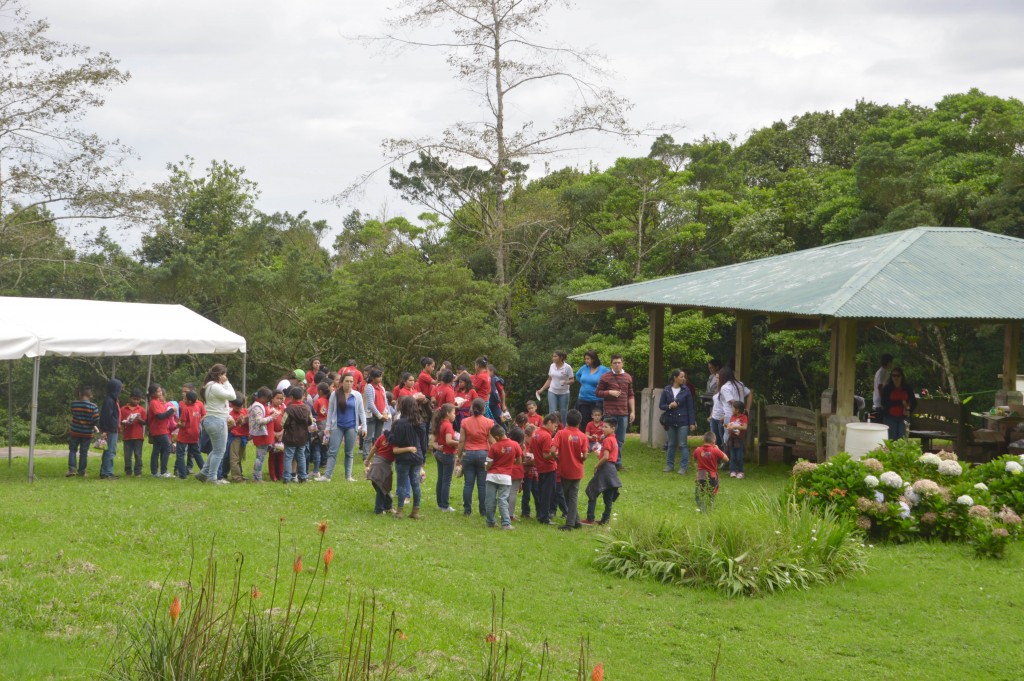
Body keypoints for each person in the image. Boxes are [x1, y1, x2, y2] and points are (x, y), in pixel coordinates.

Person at [195, 363, 237, 485]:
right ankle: (212, 478)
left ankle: (203, 473)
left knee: (216, 449)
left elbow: (219, 405)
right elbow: (232, 396)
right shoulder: (215, 387)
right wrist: (227, 382)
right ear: (219, 375)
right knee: (220, 451)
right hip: (217, 421)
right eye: (224, 374)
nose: (225, 376)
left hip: (211, 420)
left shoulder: (209, 386)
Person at [321, 373, 367, 482]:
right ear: (342, 382)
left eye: (351, 381)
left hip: (352, 426)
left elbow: (361, 411)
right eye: (347, 381)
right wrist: (328, 427)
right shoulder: (335, 394)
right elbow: (331, 411)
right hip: (337, 426)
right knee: (332, 451)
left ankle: (348, 476)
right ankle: (327, 476)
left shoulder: (357, 395)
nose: (349, 383)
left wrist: (364, 426)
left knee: (349, 452)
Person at [455, 397, 494, 517]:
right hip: (483, 454)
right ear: (484, 409)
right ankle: (483, 511)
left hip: (468, 454)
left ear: (472, 408)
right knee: (482, 485)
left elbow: (461, 441)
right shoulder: (489, 422)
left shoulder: (465, 422)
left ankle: (467, 510)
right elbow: (491, 441)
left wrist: (459, 455)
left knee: (468, 484)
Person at [595, 354, 634, 471]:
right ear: (611, 364)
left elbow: (631, 395)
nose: (617, 365)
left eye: (619, 362)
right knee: (608, 438)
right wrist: (609, 392)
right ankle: (607, 461)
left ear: (622, 363)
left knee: (620, 440)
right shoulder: (605, 377)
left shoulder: (627, 377)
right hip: (609, 413)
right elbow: (597, 392)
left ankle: (617, 463)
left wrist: (632, 411)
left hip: (623, 413)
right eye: (614, 363)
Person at [389, 395, 426, 519]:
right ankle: (415, 511)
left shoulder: (399, 423)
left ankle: (399, 511)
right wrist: (423, 457)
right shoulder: (419, 422)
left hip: (403, 457)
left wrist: (388, 434)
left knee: (402, 483)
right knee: (416, 484)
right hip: (417, 456)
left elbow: (395, 440)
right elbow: (423, 441)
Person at [581, 417, 623, 526]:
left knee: (591, 491)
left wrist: (596, 465)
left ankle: (590, 518)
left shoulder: (608, 440)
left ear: (613, 428)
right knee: (608, 496)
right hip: (612, 469)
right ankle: (605, 520)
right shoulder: (614, 439)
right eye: (602, 426)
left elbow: (605, 457)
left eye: (606, 427)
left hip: (605, 468)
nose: (603, 428)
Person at [553, 409, 587, 531]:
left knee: (570, 496)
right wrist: (581, 460)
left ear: (566, 421)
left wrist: (556, 458)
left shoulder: (561, 433)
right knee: (571, 496)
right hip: (577, 470)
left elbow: (552, 450)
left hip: (565, 470)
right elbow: (585, 455)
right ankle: (576, 521)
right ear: (579, 423)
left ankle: (570, 524)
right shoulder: (583, 436)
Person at [484, 424, 521, 529]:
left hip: (492, 476)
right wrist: (509, 462)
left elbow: (489, 464)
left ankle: (491, 521)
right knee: (503, 500)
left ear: (496, 437)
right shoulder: (515, 445)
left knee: (490, 500)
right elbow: (519, 461)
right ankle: (505, 523)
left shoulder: (494, 447)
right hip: (505, 477)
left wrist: (487, 467)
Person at [660, 369, 696, 474]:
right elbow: (661, 405)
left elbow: (690, 407)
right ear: (675, 378)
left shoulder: (686, 390)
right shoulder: (666, 390)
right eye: (681, 376)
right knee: (671, 444)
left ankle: (683, 467)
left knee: (682, 444)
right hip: (670, 420)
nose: (683, 378)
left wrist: (692, 422)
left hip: (683, 421)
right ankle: (669, 465)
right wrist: (669, 406)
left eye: (684, 376)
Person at [711, 367, 751, 450]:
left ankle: (727, 458)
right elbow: (750, 394)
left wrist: (740, 408)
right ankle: (737, 457)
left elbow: (733, 402)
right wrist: (747, 409)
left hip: (730, 416)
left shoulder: (725, 387)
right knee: (739, 436)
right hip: (741, 416)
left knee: (727, 437)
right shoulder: (739, 384)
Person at [531, 413, 559, 524]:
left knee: (542, 492)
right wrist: (556, 454)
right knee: (548, 494)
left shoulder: (535, 433)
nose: (555, 429)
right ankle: (544, 517)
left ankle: (540, 513)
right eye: (555, 426)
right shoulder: (547, 436)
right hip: (548, 468)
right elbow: (546, 455)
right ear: (549, 422)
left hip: (539, 467)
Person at [281, 386, 312, 483]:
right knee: (301, 456)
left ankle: (287, 478)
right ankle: (303, 476)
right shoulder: (307, 408)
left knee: (288, 457)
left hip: (290, 437)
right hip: (302, 437)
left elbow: (283, 423)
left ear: (291, 397)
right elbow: (310, 421)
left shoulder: (289, 409)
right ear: (302, 396)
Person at [431, 403, 458, 512]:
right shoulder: (447, 425)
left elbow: (435, 440)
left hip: (440, 454)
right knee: (446, 481)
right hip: (448, 454)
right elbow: (448, 441)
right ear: (448, 413)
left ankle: (440, 503)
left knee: (441, 479)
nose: (455, 415)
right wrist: (461, 443)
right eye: (453, 413)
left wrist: (437, 446)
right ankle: (445, 506)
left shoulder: (440, 423)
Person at [67, 385, 99, 477]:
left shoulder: (74, 404)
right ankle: (82, 471)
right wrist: (92, 425)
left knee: (72, 450)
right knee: (84, 452)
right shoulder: (93, 406)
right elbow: (96, 419)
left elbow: (73, 413)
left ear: (80, 394)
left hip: (75, 431)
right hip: (87, 433)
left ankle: (72, 469)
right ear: (90, 395)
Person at [247, 387, 277, 482]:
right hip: (262, 435)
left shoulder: (261, 405)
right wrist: (271, 417)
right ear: (263, 397)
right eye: (268, 398)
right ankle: (257, 478)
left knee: (261, 457)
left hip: (265, 435)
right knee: (260, 457)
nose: (269, 401)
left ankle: (256, 477)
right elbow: (259, 420)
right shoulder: (257, 406)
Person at [694, 432, 728, 512]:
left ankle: (701, 508)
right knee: (711, 494)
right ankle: (710, 509)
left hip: (701, 474)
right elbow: (726, 459)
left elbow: (695, 458)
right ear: (714, 442)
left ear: (703, 440)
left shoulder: (698, 450)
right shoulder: (715, 450)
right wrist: (718, 449)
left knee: (699, 492)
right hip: (712, 475)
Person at [146, 384, 176, 478]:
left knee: (156, 450)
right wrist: (171, 411)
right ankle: (163, 471)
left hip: (161, 429)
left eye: (160, 391)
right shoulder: (154, 403)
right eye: (158, 391)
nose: (160, 393)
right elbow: (160, 416)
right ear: (153, 393)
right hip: (159, 430)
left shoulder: (158, 402)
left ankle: (154, 472)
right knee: (167, 448)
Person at [174, 390, 205, 479]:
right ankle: (204, 471)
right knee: (196, 453)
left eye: (185, 399)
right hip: (195, 433)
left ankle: (183, 475)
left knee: (180, 454)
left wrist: (177, 423)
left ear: (190, 401)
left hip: (185, 435)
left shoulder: (186, 409)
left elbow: (183, 424)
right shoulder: (197, 407)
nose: (184, 400)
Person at [574, 349, 609, 427]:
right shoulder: (584, 368)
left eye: (588, 359)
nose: (586, 360)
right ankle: (584, 438)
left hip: (597, 400)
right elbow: (577, 375)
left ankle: (597, 438)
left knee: (596, 422)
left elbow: (610, 378)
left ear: (594, 359)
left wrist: (602, 387)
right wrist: (583, 383)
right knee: (583, 421)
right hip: (583, 399)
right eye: (585, 359)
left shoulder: (603, 369)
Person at [537, 350, 573, 425]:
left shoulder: (567, 367)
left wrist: (566, 382)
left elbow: (572, 380)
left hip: (564, 393)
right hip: (552, 391)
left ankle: (563, 429)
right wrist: (542, 389)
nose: (553, 358)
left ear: (561, 357)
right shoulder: (552, 366)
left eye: (555, 356)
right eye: (553, 356)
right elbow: (549, 379)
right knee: (552, 412)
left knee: (563, 412)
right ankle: (551, 429)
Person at [881, 368, 916, 440]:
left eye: (898, 376)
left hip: (903, 418)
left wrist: (909, 410)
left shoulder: (907, 388)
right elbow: (884, 402)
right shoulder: (887, 388)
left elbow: (914, 402)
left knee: (902, 439)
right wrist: (900, 402)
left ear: (902, 377)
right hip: (890, 417)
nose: (896, 378)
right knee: (891, 440)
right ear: (891, 377)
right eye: (894, 376)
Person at [362, 369, 390, 460]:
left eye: (381, 376)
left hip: (381, 414)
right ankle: (366, 455)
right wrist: (379, 415)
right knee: (369, 437)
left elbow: (385, 402)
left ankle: (377, 454)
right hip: (372, 415)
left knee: (378, 437)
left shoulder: (381, 388)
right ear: (373, 378)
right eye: (378, 376)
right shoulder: (370, 387)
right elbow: (370, 404)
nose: (380, 378)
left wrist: (386, 413)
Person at [366, 430, 395, 515]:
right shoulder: (395, 439)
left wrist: (368, 459)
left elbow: (374, 448)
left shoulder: (383, 436)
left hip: (375, 463)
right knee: (382, 488)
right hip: (383, 466)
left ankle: (388, 506)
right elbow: (396, 451)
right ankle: (378, 510)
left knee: (382, 487)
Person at [98, 379, 122, 480]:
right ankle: (106, 472)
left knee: (110, 450)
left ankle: (107, 471)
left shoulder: (113, 400)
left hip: (113, 428)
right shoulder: (109, 400)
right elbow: (106, 416)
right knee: (110, 451)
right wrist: (105, 430)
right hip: (110, 429)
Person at [119, 389, 146, 477]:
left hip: (138, 436)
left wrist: (139, 419)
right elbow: (120, 421)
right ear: (130, 398)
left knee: (138, 455)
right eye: (134, 399)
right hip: (127, 436)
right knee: (127, 455)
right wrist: (126, 421)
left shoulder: (141, 409)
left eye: (138, 400)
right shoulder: (123, 409)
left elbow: (145, 422)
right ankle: (128, 471)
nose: (136, 401)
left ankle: (138, 471)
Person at [310, 382, 330, 475]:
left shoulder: (318, 401)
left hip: (319, 426)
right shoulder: (330, 400)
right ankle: (325, 463)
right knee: (325, 446)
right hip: (327, 426)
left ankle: (316, 470)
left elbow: (313, 414)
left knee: (316, 447)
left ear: (320, 391)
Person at [227, 396, 249, 482]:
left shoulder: (245, 411)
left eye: (241, 407)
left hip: (244, 437)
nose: (239, 409)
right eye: (237, 407)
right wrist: (237, 422)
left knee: (240, 457)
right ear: (232, 406)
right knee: (234, 458)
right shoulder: (230, 415)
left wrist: (246, 420)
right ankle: (236, 477)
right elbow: (229, 428)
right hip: (235, 438)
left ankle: (240, 474)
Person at [727, 400, 748, 479]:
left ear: (737, 410)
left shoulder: (744, 417)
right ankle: (732, 471)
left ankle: (740, 471)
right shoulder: (732, 417)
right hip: (732, 439)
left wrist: (735, 427)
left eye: (732, 408)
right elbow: (731, 426)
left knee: (739, 456)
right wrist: (729, 427)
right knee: (732, 456)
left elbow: (745, 427)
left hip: (739, 440)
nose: (731, 409)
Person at [872, 354, 894, 422]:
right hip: (881, 404)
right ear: (888, 362)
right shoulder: (884, 372)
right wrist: (884, 401)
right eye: (891, 362)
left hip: (877, 401)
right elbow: (880, 387)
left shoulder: (879, 371)